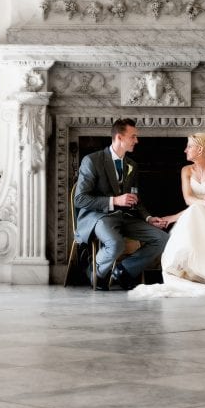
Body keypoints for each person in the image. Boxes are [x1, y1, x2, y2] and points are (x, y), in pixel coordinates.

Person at [129, 134, 205, 298]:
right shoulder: (186, 170)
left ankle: (197, 271)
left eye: (189, 146)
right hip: (196, 213)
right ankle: (186, 270)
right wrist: (197, 205)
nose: (185, 150)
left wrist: (173, 218)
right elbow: (189, 199)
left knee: (196, 211)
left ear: (200, 149)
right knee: (196, 211)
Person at [74, 118, 167, 290]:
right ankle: (95, 272)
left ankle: (123, 270)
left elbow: (134, 198)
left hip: (124, 218)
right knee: (117, 244)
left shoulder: (132, 165)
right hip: (99, 217)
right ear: (119, 137)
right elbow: (80, 199)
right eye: (133, 136)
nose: (137, 141)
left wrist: (148, 217)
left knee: (162, 238)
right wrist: (114, 201)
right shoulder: (92, 161)